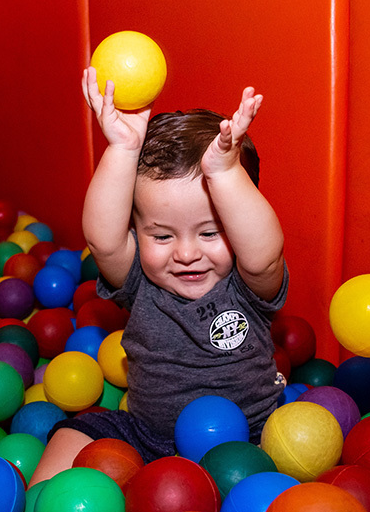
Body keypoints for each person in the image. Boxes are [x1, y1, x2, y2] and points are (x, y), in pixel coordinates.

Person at [29, 67, 287, 486]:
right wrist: (122, 150)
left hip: (249, 441)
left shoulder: (246, 284)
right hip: (147, 437)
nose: (186, 254)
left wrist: (225, 174)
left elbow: (264, 257)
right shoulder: (141, 281)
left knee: (278, 463)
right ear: (136, 232)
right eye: (162, 236)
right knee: (72, 436)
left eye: (210, 233)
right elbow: (103, 243)